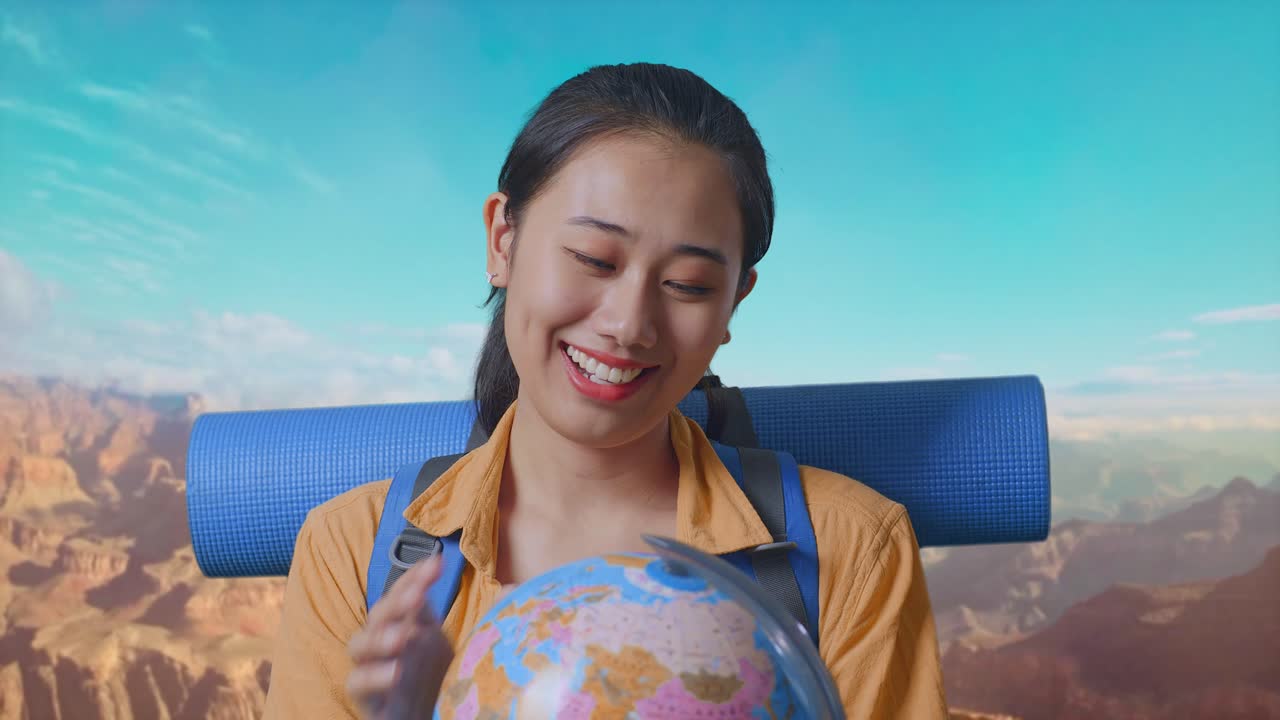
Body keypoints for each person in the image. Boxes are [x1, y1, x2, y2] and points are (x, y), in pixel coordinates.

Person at [263, 62, 948, 719]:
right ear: (502, 241)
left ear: (733, 304)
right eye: (594, 259)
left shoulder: (851, 550)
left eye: (688, 285)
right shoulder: (352, 552)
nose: (629, 325)